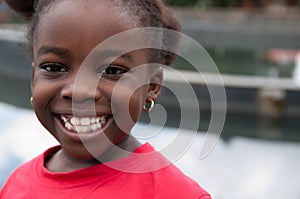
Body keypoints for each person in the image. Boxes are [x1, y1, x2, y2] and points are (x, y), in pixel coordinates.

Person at [0, 0, 212, 198]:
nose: (79, 91)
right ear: (33, 78)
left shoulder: (176, 194)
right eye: (54, 67)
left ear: (151, 86)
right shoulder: (16, 185)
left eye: (111, 70)